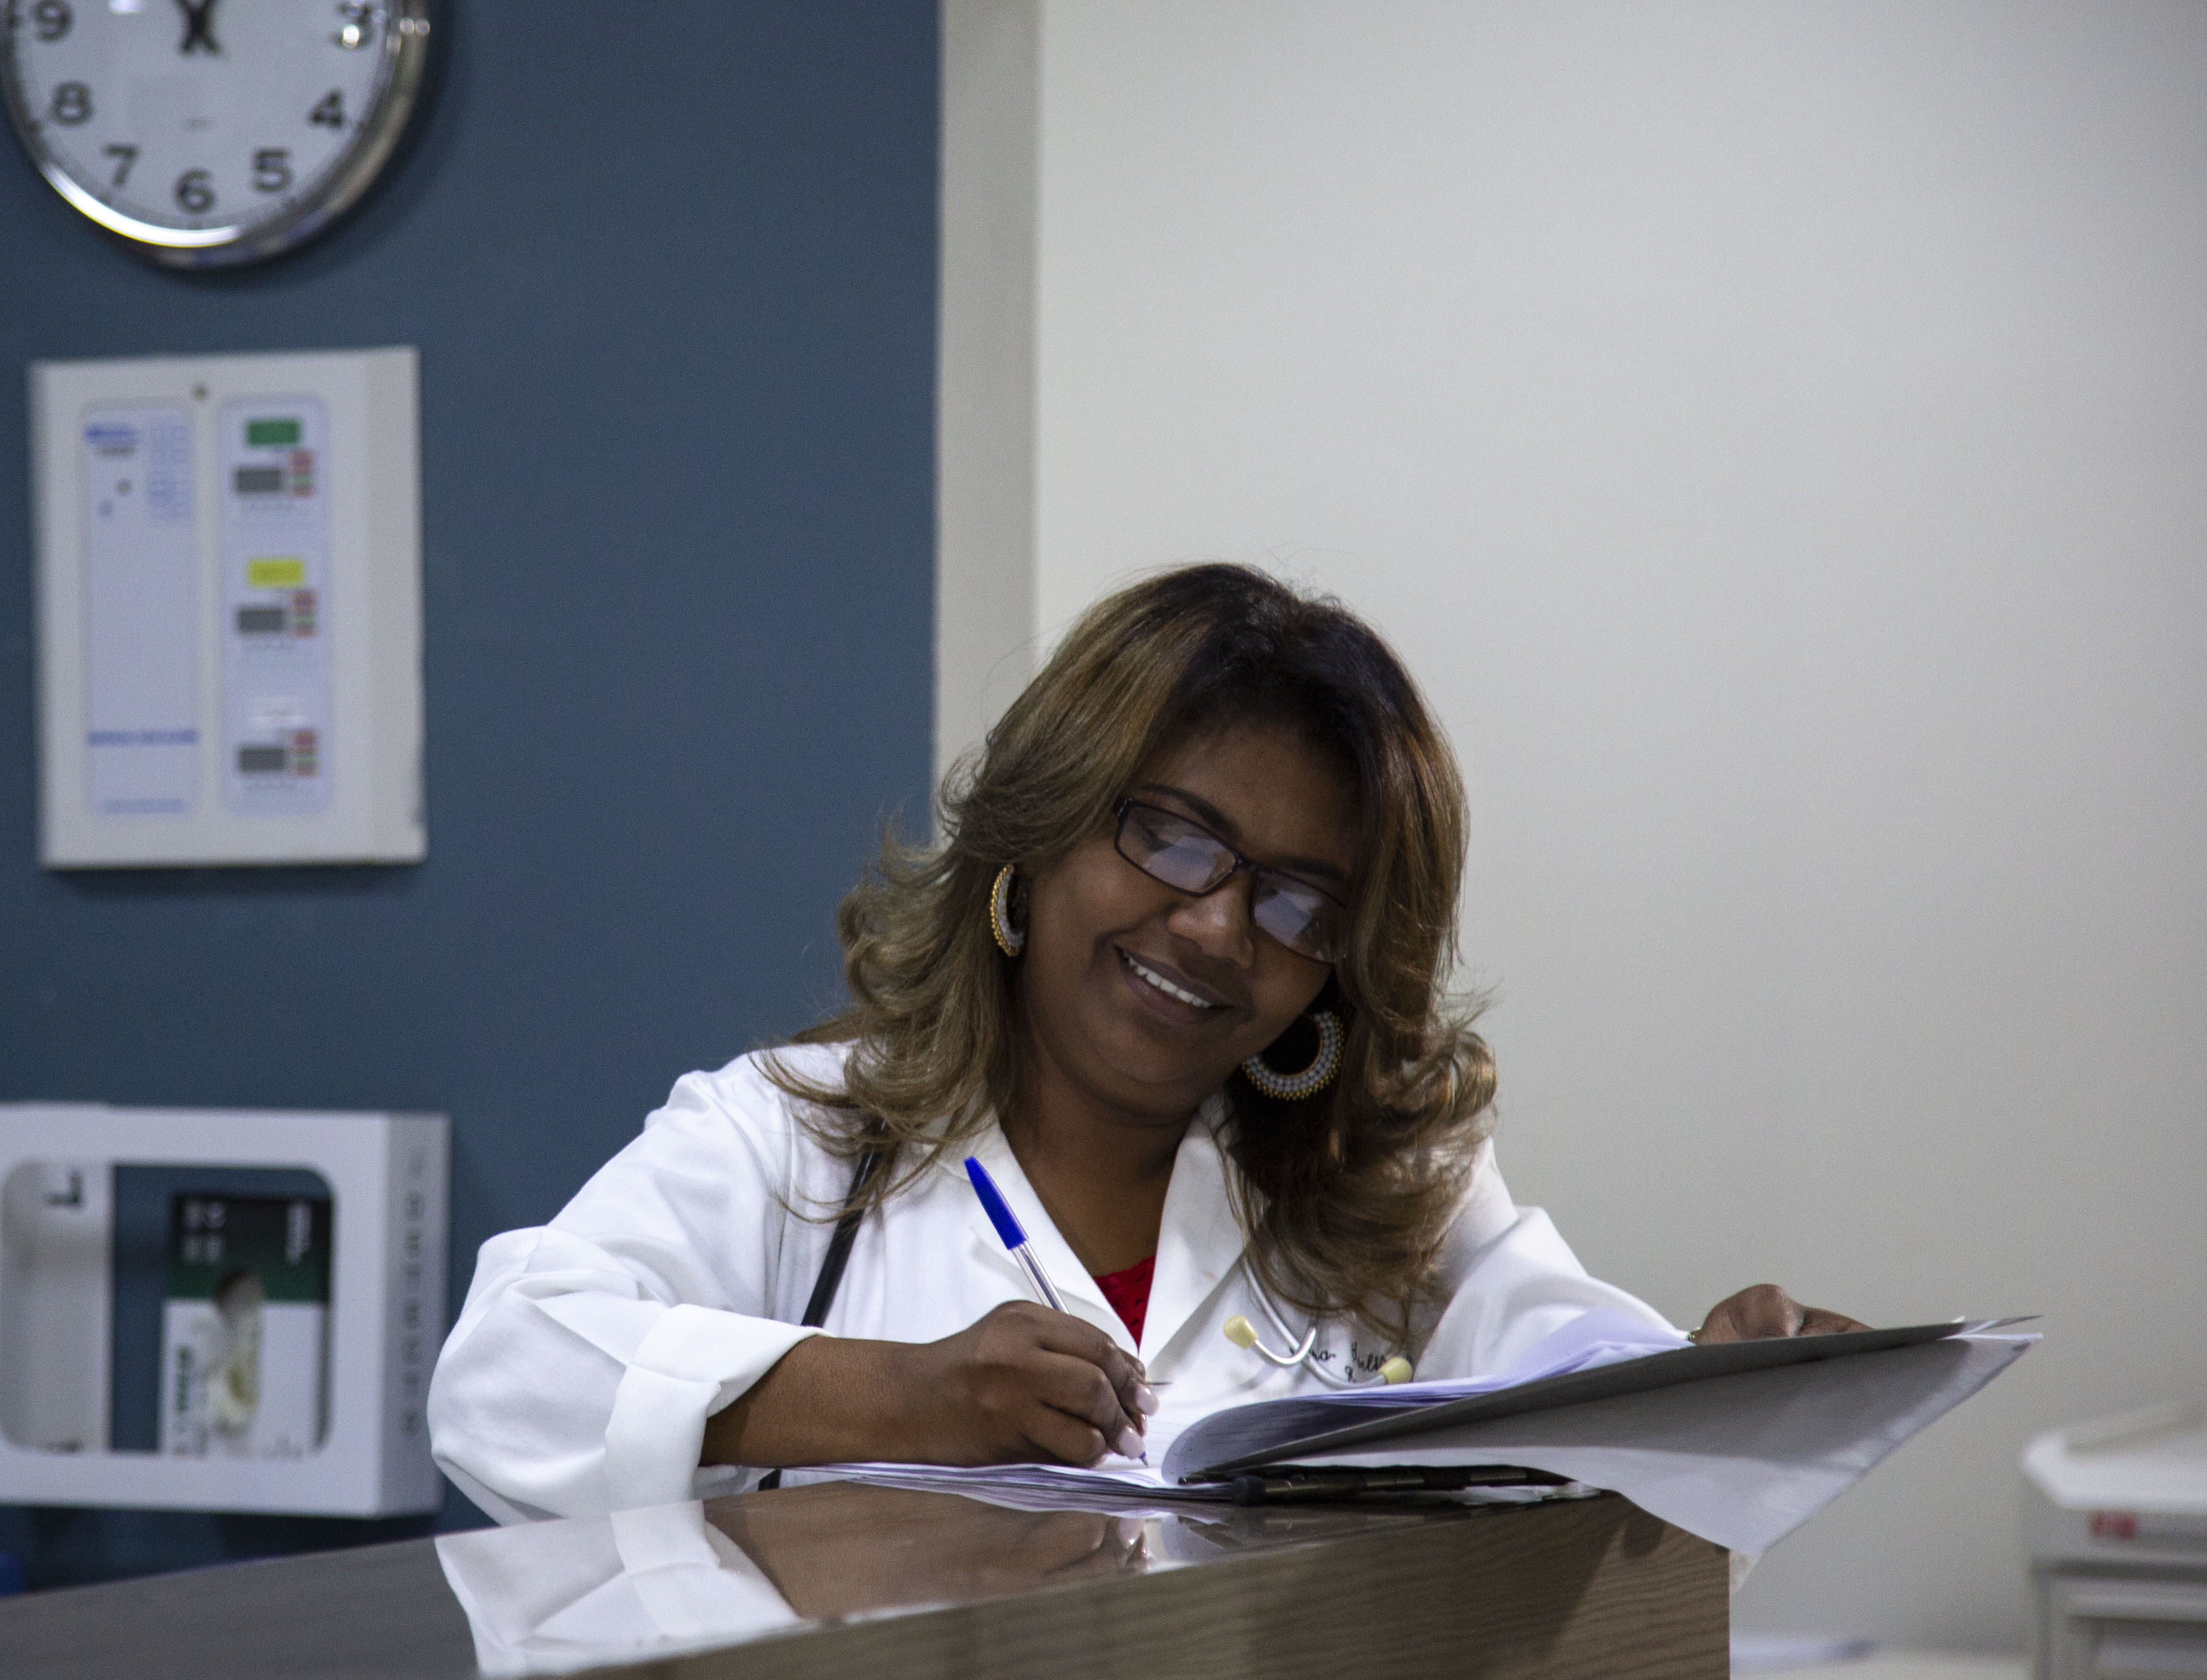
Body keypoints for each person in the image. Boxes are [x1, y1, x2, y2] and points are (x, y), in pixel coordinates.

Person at [429, 564, 1863, 1525]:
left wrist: (1702, 1387)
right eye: (1174, 837)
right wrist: (900, 1395)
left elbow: (1550, 1345)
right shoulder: (801, 1137)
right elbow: (502, 1375)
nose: (1219, 925)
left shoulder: (1380, 1185)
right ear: (1040, 828)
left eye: (1298, 900)